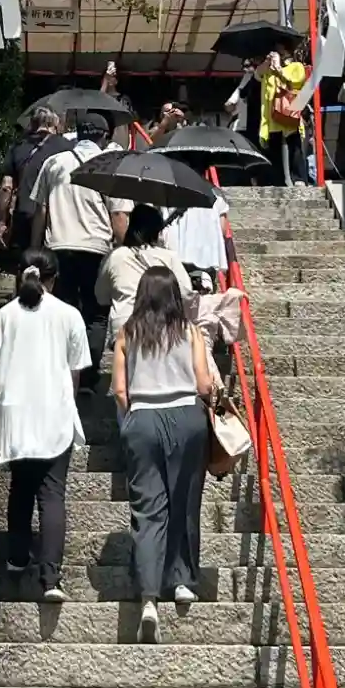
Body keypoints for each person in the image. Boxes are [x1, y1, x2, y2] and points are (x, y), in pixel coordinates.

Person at [114, 268, 217, 639]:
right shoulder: (190, 332)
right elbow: (203, 383)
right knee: (184, 501)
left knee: (147, 512)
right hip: (186, 417)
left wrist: (134, 419)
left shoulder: (127, 333)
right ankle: (183, 581)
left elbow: (120, 390)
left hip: (142, 419)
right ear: (175, 295)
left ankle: (148, 598)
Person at [0, 249, 88, 601]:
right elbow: (75, 372)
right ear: (54, 278)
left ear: (21, 275)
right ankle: (51, 579)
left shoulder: (3, 316)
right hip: (53, 410)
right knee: (52, 494)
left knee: (20, 487)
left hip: (14, 412)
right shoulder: (70, 315)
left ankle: (17, 558)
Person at [36, 125, 118, 326]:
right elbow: (118, 214)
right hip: (96, 249)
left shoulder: (53, 162)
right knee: (96, 314)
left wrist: (35, 247)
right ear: (104, 136)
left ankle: (64, 346)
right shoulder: (111, 165)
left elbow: (41, 210)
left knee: (62, 312)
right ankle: (91, 347)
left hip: (59, 246)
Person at [96, 204, 194, 369]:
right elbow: (186, 293)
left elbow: (101, 296)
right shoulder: (168, 257)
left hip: (124, 327)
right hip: (162, 325)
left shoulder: (115, 256)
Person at [0, 105, 61, 257]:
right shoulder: (66, 147)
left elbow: (6, 187)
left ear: (32, 123)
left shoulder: (18, 147)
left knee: (25, 261)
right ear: (55, 123)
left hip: (24, 214)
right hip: (54, 217)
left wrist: (2, 222)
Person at [259, 41, 311, 185]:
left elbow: (295, 82)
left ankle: (299, 179)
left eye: (280, 49)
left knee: (294, 146)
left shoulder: (296, 66)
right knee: (274, 148)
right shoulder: (268, 69)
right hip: (272, 116)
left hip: (290, 111)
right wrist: (267, 63)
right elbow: (258, 75)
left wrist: (278, 69)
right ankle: (277, 181)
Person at [163, 189, 230, 289]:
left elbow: (166, 227)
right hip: (209, 256)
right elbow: (223, 228)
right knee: (206, 291)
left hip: (182, 253)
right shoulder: (216, 195)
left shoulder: (171, 191)